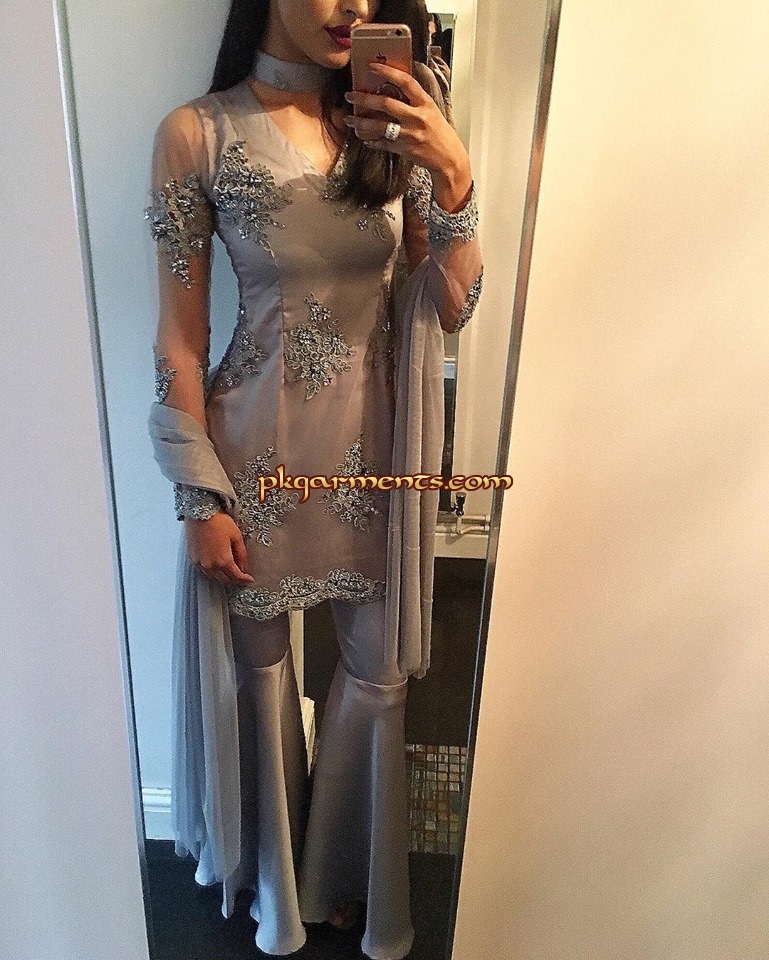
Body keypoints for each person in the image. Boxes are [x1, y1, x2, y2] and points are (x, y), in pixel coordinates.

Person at [144, 1, 482, 958]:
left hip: (377, 462)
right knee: (261, 675)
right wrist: (197, 492)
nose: (354, 9)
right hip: (254, 459)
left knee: (377, 674)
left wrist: (453, 174)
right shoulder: (196, 134)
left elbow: (452, 304)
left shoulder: (393, 126)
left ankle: (339, 877)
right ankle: (276, 889)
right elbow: (179, 338)